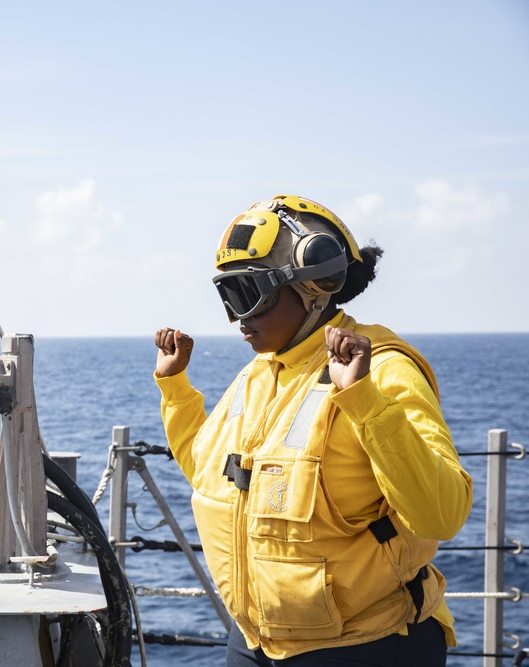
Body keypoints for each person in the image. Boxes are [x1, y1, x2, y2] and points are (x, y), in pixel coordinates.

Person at [154, 195, 472, 666]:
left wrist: (362, 400)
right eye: (228, 295)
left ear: (314, 286)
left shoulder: (383, 370)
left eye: (250, 294)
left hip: (366, 647)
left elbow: (441, 514)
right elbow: (211, 476)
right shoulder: (261, 374)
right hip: (254, 643)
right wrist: (176, 389)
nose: (239, 317)